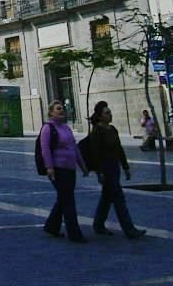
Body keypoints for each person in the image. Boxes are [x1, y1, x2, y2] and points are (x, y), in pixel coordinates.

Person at [88, 101, 146, 239]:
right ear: (100, 116)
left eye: (110, 112)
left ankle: (98, 224)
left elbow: (119, 149)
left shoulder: (112, 129)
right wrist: (99, 172)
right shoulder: (97, 131)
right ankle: (129, 229)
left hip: (115, 167)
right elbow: (95, 153)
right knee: (118, 198)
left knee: (107, 198)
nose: (110, 115)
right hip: (106, 169)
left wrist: (125, 166)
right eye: (107, 113)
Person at [40, 99, 88, 243]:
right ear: (50, 112)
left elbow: (74, 147)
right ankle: (74, 233)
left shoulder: (66, 128)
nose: (61, 111)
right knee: (68, 200)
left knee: (64, 198)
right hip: (58, 169)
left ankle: (51, 226)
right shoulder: (48, 128)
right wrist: (49, 167)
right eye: (58, 109)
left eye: (62, 108)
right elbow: (45, 150)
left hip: (70, 168)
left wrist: (82, 165)